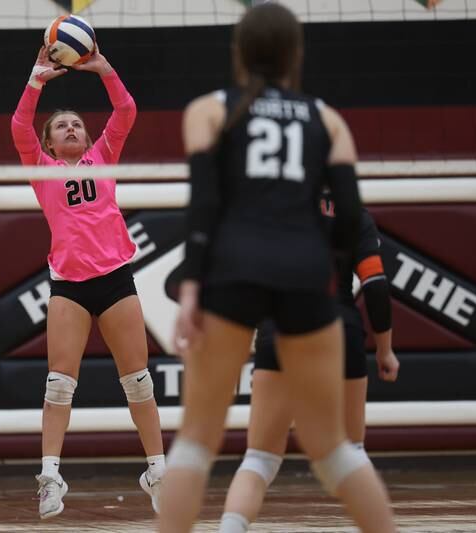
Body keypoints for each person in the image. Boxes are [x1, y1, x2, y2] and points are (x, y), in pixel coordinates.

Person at [157, 3, 396, 532]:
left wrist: (192, 283)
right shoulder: (329, 119)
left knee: (196, 440)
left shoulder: (208, 110)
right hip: (305, 275)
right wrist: (317, 264)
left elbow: (203, 206)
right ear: (297, 55)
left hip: (233, 268)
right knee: (335, 450)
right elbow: (352, 215)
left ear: (238, 54)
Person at [11, 45, 165, 519]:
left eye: (77, 122)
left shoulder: (104, 155)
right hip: (70, 287)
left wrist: (103, 67)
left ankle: (157, 471)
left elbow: (126, 110)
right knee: (59, 384)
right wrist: (36, 82)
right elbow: (19, 128)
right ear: (51, 145)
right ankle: (51, 476)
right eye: (62, 126)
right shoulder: (42, 171)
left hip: (116, 278)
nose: (73, 127)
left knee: (138, 382)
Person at [219, 203, 400, 533]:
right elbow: (375, 287)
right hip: (339, 330)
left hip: (280, 330)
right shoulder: (354, 216)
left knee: (259, 459)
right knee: (352, 451)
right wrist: (385, 351)